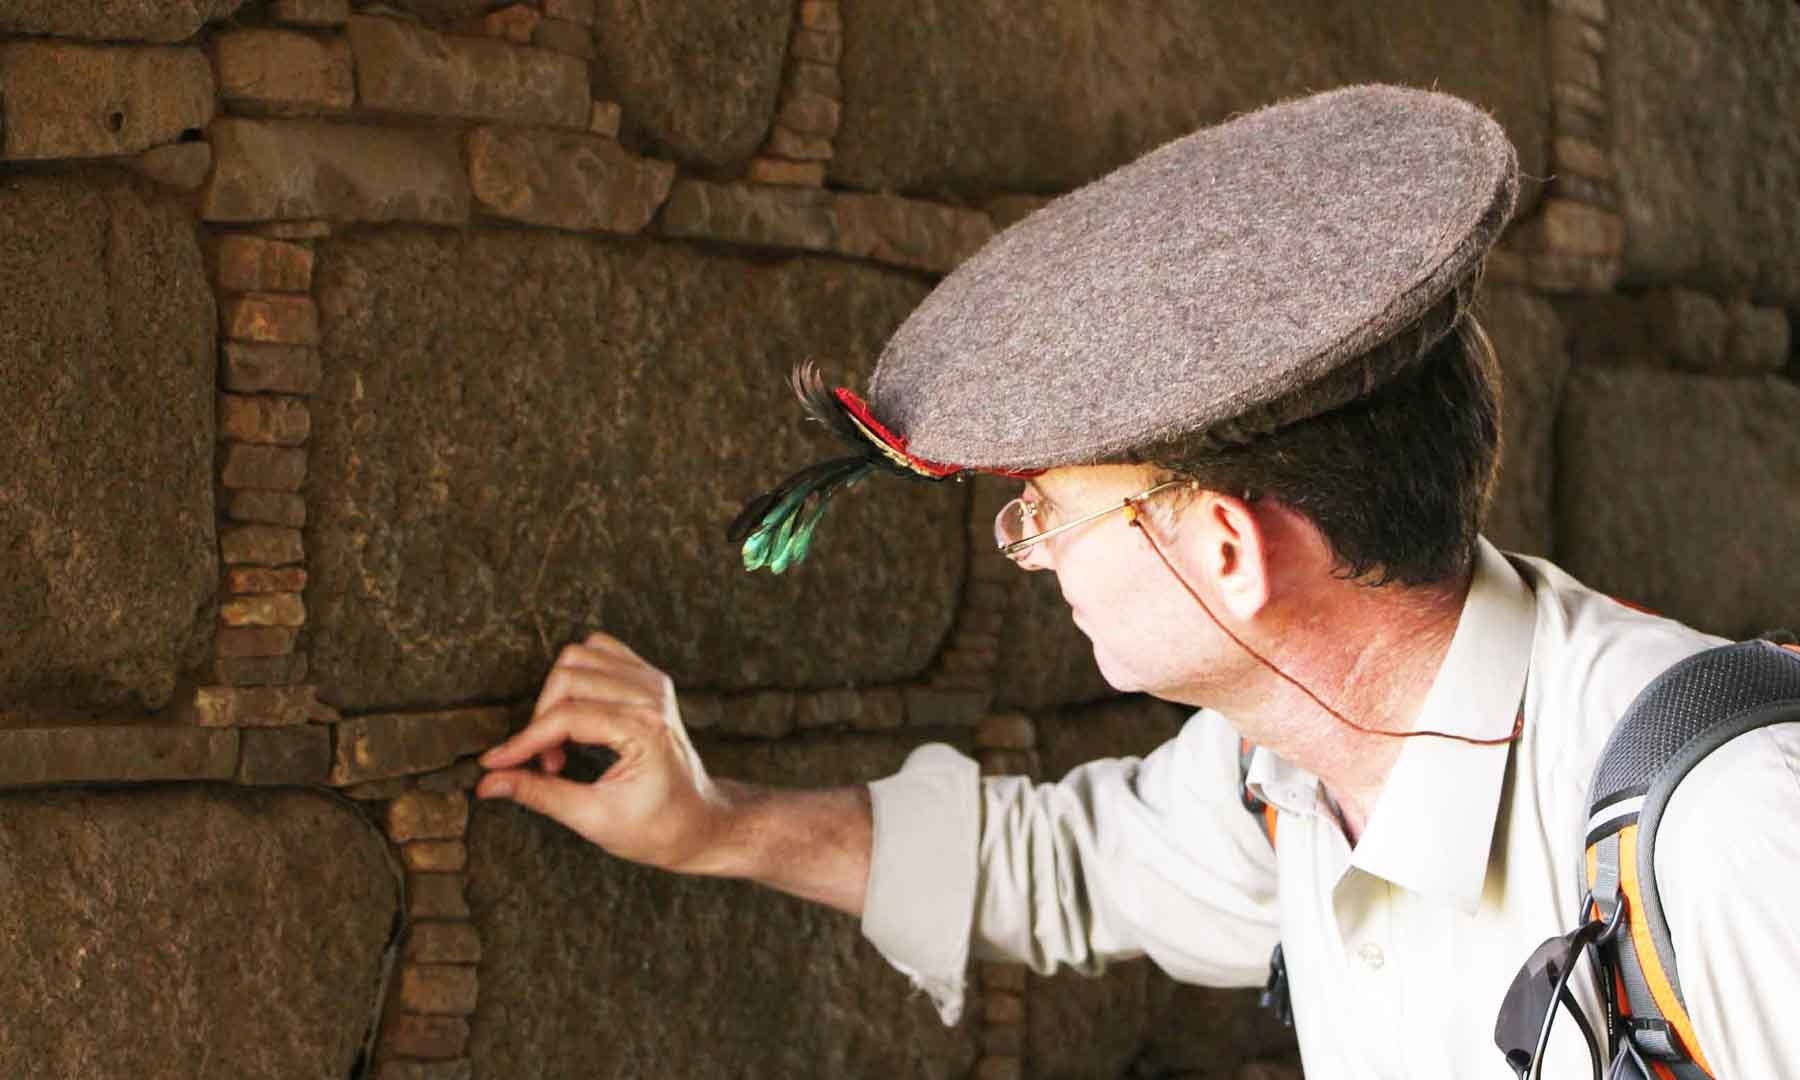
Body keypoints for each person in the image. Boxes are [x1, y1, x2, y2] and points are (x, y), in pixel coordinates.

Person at [475, 85, 1800, 1077]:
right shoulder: (1280, 773)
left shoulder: (1739, 840)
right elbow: (1073, 865)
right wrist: (715, 824)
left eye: (1047, 511)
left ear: (1226, 549)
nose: (1037, 548)